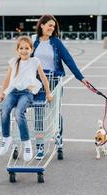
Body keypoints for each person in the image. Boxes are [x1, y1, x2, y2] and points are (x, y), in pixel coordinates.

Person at [32, 14, 89, 160]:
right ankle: (39, 145)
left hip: (53, 81)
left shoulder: (56, 42)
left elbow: (68, 59)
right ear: (42, 25)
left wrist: (80, 77)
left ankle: (58, 137)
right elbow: (24, 60)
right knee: (38, 112)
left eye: (53, 26)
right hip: (37, 83)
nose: (52, 28)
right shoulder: (33, 41)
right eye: (49, 25)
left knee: (54, 111)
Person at [0, 36, 53, 161]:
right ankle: (6, 137)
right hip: (13, 92)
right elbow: (7, 79)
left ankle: (27, 143)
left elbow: (43, 78)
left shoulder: (35, 61)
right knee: (4, 109)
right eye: (21, 48)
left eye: (26, 48)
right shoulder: (13, 62)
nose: (24, 50)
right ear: (17, 50)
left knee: (18, 113)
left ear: (31, 49)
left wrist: (48, 93)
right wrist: (2, 93)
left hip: (26, 93)